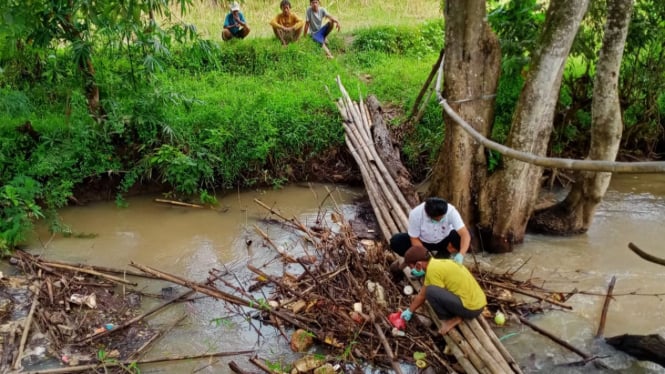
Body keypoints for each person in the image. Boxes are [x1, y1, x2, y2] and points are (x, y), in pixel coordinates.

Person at [399, 245, 487, 335]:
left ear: (418, 264)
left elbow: (426, 294)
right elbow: (422, 294)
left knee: (431, 292)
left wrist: (410, 311)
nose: (411, 270)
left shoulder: (433, 271)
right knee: (430, 290)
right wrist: (409, 311)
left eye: (411, 267)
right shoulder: (439, 263)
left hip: (471, 309)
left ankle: (449, 319)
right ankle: (457, 314)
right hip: (480, 302)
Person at [390, 197, 471, 264]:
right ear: (428, 214)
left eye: (442, 217)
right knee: (396, 241)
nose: (440, 220)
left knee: (462, 237)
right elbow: (414, 238)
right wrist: (424, 257)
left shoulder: (451, 211)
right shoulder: (416, 214)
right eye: (437, 219)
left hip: (445, 240)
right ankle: (421, 262)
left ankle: (445, 253)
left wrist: (461, 254)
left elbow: (465, 234)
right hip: (423, 241)